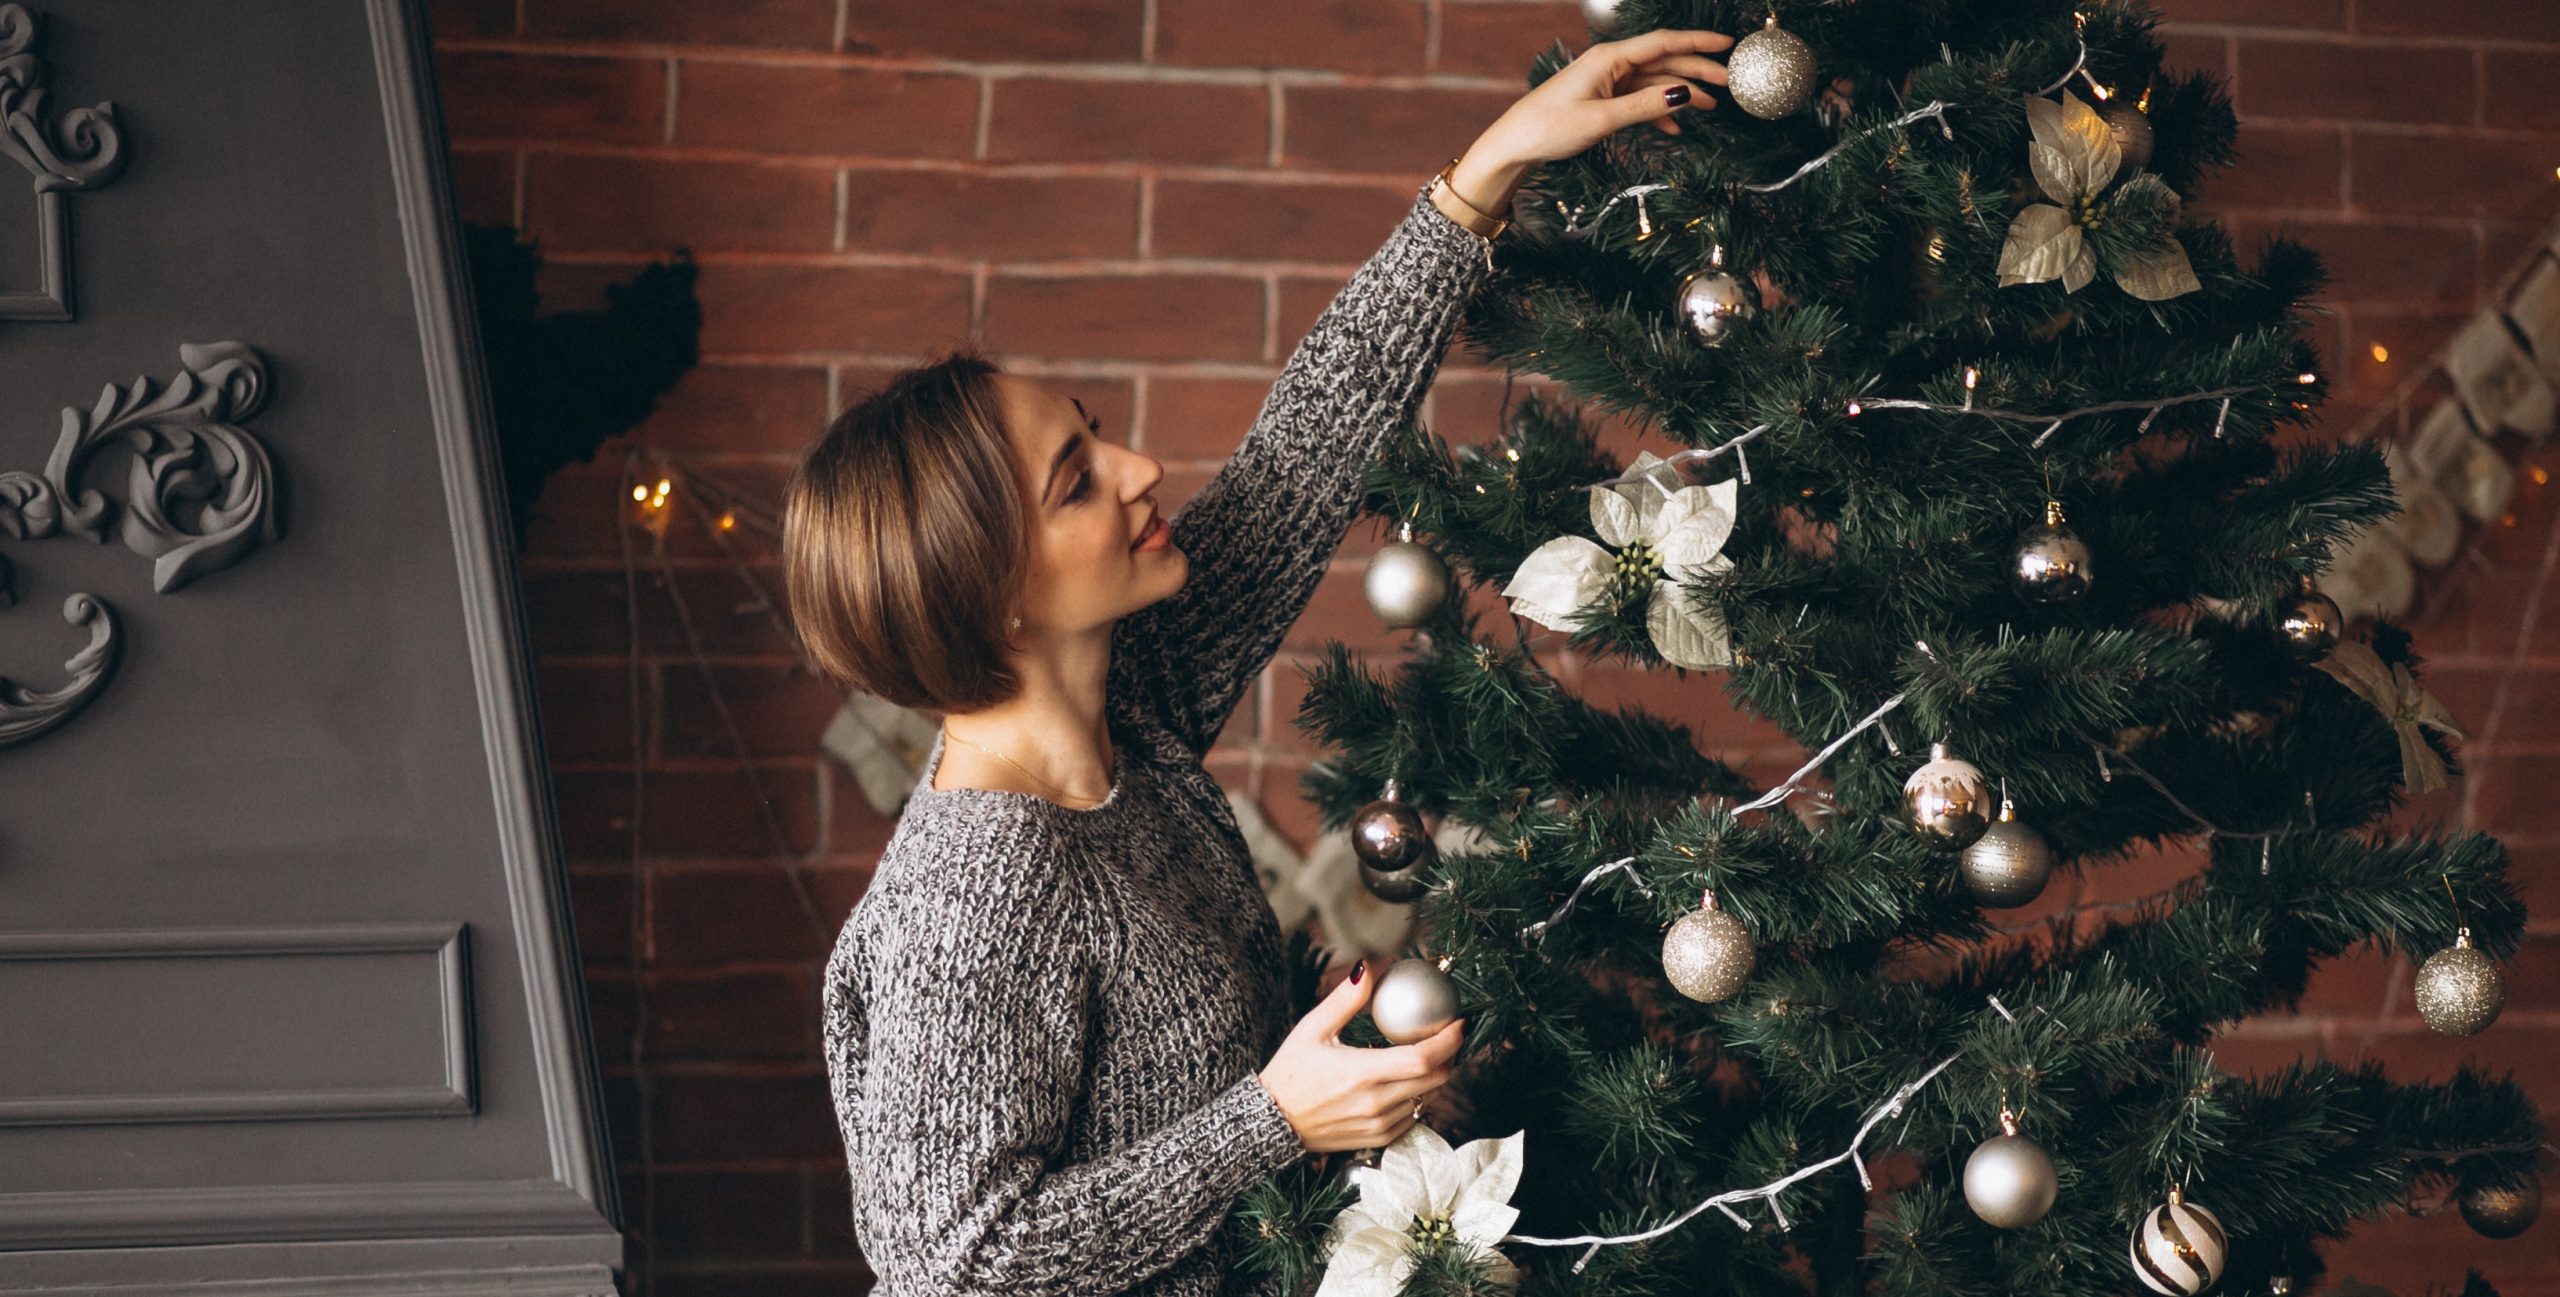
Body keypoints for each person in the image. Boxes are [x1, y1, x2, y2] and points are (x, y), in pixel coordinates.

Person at [779, 28, 1736, 1295]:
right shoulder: (979, 890)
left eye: (1093, 436)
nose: (1137, 470)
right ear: (994, 599)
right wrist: (1271, 1119)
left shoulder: (1130, 707)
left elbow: (1298, 461)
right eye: (1077, 483)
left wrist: (1486, 173)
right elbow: (952, 1259)